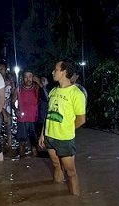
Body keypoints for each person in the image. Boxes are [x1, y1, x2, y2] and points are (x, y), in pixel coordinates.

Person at [38, 59, 86, 196]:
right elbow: (48, 114)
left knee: (70, 172)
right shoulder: (53, 91)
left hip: (64, 139)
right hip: (49, 136)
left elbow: (81, 119)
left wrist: (67, 130)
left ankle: (75, 201)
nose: (53, 72)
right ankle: (57, 196)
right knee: (55, 165)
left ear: (64, 72)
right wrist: (42, 134)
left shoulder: (76, 94)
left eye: (56, 70)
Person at [12, 70, 41, 158]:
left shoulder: (37, 88)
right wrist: (16, 109)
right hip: (22, 120)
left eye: (30, 76)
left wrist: (39, 82)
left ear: (33, 78)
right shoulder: (18, 89)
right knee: (22, 142)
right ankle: (22, 162)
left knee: (34, 142)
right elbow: (12, 102)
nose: (28, 79)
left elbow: (45, 96)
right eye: (26, 77)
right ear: (22, 78)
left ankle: (35, 163)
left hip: (34, 119)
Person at [0, 63, 15, 150]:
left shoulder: (10, 82)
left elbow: (13, 94)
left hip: (7, 106)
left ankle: (9, 145)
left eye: (2, 69)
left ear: (6, 70)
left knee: (9, 125)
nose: (1, 71)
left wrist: (12, 102)